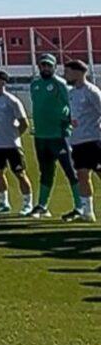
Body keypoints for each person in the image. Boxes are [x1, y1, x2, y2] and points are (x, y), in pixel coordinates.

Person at [25, 54, 78, 220]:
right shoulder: (35, 85)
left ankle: (80, 205)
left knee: (70, 170)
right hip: (41, 135)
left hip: (59, 135)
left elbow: (71, 106)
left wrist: (67, 124)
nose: (45, 68)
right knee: (45, 171)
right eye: (43, 65)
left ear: (54, 67)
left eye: (49, 65)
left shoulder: (60, 84)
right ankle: (42, 206)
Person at [0, 70, 33, 215]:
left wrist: (15, 136)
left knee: (20, 174)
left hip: (11, 145)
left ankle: (27, 204)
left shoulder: (12, 101)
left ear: (3, 82)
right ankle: (3, 202)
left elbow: (24, 123)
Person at [62, 59, 100, 223]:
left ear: (78, 73)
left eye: (67, 72)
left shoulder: (91, 91)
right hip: (78, 141)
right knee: (82, 175)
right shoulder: (71, 93)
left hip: (94, 140)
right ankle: (87, 212)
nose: (65, 75)